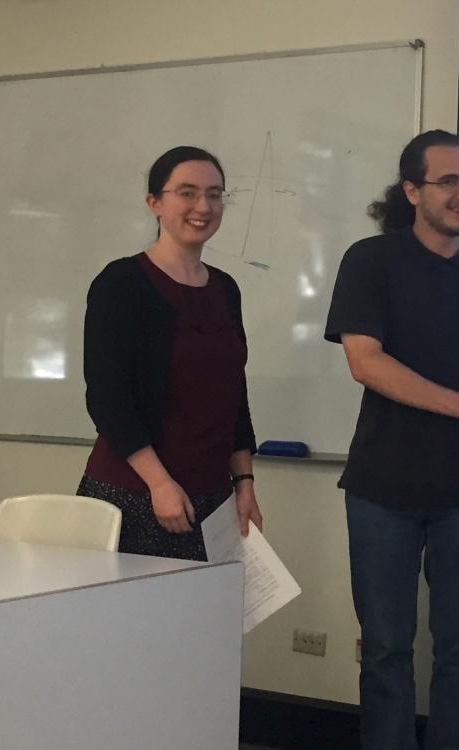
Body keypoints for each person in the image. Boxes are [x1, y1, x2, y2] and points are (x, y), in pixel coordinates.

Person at [324, 129, 459, 749]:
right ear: (412, 190)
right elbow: (366, 362)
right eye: (449, 181)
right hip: (381, 489)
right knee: (386, 652)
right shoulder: (370, 261)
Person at [79, 145, 262, 561]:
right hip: (136, 494)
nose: (203, 206)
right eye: (187, 192)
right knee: (133, 625)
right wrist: (159, 484)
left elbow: (233, 395)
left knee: (207, 622)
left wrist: (245, 483)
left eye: (215, 194)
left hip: (213, 497)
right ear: (154, 203)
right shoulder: (121, 283)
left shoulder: (225, 289)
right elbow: (108, 399)